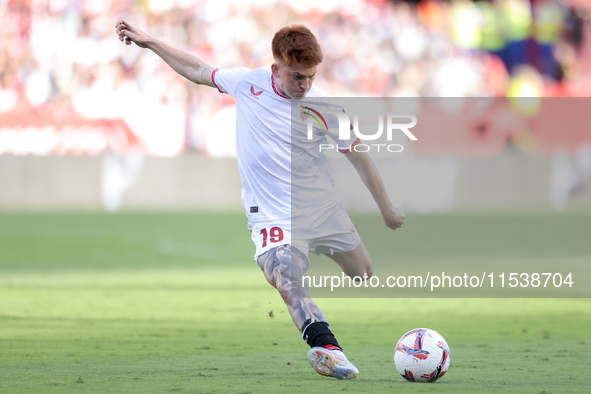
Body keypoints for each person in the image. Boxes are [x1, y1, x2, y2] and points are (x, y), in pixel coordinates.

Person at [115, 21, 406, 380]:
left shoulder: (324, 107)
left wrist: (386, 208)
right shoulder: (247, 83)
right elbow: (197, 69)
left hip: (321, 207)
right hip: (272, 215)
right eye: (298, 77)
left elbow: (359, 157)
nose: (306, 85)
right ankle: (327, 348)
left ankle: (307, 253)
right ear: (275, 69)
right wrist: (152, 43)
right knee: (288, 281)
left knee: (363, 273)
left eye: (311, 76)